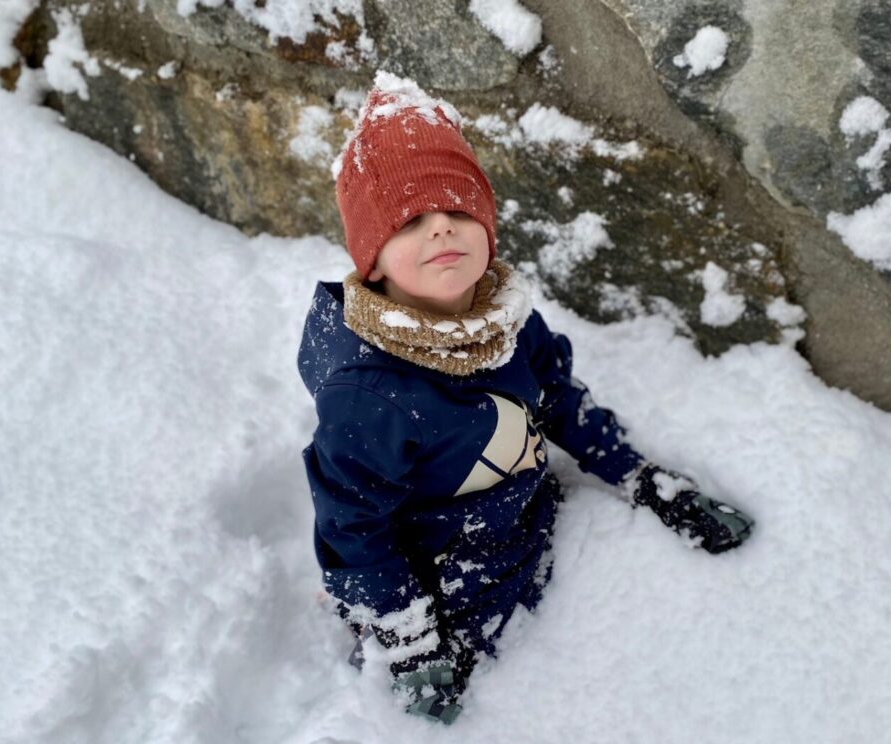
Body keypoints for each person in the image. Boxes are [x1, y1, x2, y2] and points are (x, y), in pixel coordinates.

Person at [298, 71, 754, 725]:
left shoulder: (503, 320)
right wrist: (408, 639)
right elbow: (353, 530)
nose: (441, 231)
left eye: (458, 211)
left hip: (525, 513)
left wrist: (641, 479)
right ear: (371, 260)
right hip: (440, 560)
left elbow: (559, 401)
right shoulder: (370, 399)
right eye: (410, 222)